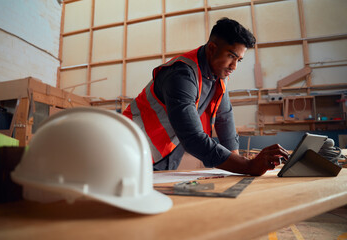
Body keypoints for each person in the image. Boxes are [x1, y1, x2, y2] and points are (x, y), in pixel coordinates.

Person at [123, 17, 289, 175]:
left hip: (165, 153)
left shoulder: (218, 76)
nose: (234, 66)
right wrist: (248, 166)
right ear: (212, 49)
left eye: (239, 59)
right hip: (129, 149)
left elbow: (225, 118)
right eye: (231, 56)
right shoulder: (181, 75)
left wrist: (240, 164)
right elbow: (192, 137)